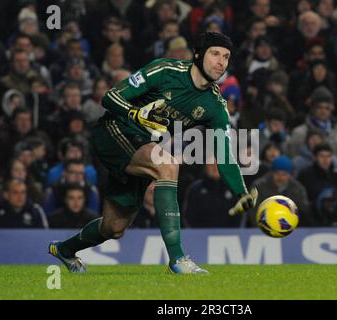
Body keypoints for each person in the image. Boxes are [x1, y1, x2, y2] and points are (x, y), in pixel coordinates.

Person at [48, 32, 258, 274]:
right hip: (114, 130)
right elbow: (110, 97)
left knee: (113, 228)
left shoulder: (215, 106)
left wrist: (241, 191)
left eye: (226, 57)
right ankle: (177, 260)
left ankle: (64, 249)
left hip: (144, 147)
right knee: (167, 164)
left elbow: (224, 154)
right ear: (198, 54)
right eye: (215, 54)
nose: (221, 62)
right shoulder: (166, 70)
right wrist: (133, 113)